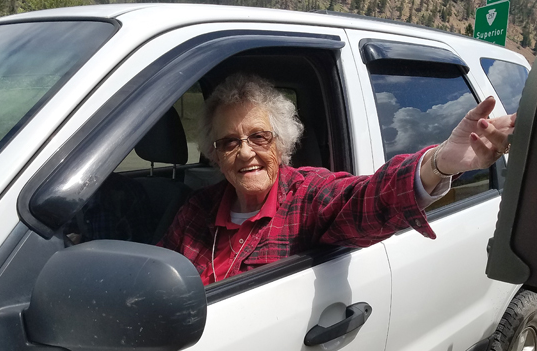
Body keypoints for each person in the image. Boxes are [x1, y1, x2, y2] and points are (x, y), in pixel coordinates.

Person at [159, 74, 515, 285]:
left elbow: (369, 199)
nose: (246, 152)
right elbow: (158, 281)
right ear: (215, 154)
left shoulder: (307, 195)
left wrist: (440, 162)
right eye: (229, 142)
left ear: (281, 144)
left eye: (259, 137)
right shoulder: (196, 211)